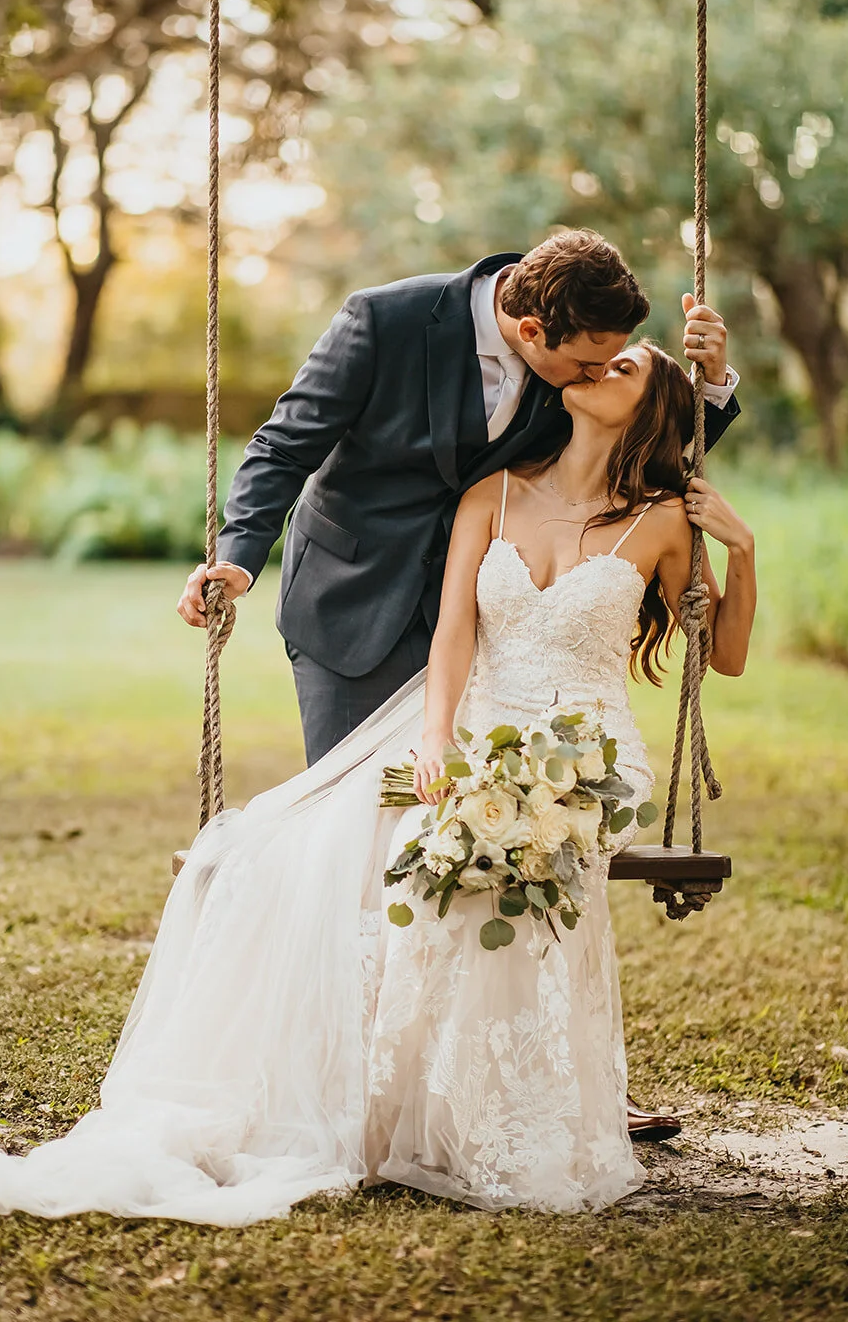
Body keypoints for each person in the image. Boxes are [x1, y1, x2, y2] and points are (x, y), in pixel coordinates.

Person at [0, 336, 756, 1226]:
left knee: (453, 855)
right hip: (462, 721)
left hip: (585, 756)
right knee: (292, 842)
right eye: (601, 357)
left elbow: (719, 659)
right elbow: (452, 634)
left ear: (650, 408)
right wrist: (433, 740)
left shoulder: (662, 520)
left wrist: (743, 550)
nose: (601, 365)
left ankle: (485, 1107)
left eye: (626, 368)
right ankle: (363, 1095)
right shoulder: (491, 496)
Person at [177, 226, 741, 1142]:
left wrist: (710, 386)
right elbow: (285, 445)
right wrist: (238, 560)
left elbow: (640, 444)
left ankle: (551, 1081)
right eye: (584, 366)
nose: (593, 378)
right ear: (527, 330)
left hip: (496, 611)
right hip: (353, 604)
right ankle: (353, 1076)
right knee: (364, 844)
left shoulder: (577, 352)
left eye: (609, 363)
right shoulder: (382, 322)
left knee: (525, 833)